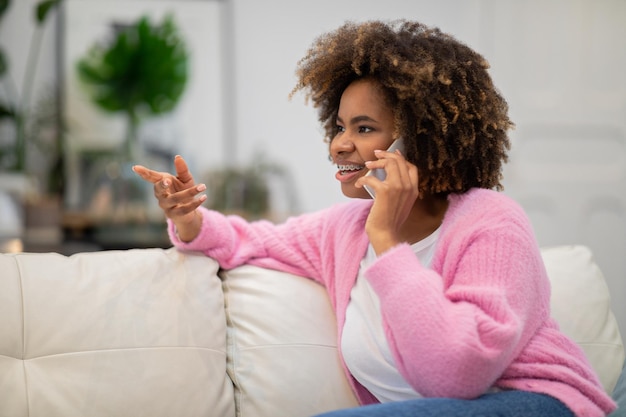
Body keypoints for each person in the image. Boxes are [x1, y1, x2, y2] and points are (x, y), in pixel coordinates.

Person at [133, 19, 616, 417]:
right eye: (340, 126)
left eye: (364, 129)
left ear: (422, 141)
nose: (339, 144)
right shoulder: (342, 231)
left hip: (532, 405)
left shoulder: (491, 222)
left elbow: (458, 373)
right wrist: (190, 219)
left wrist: (385, 240)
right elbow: (249, 240)